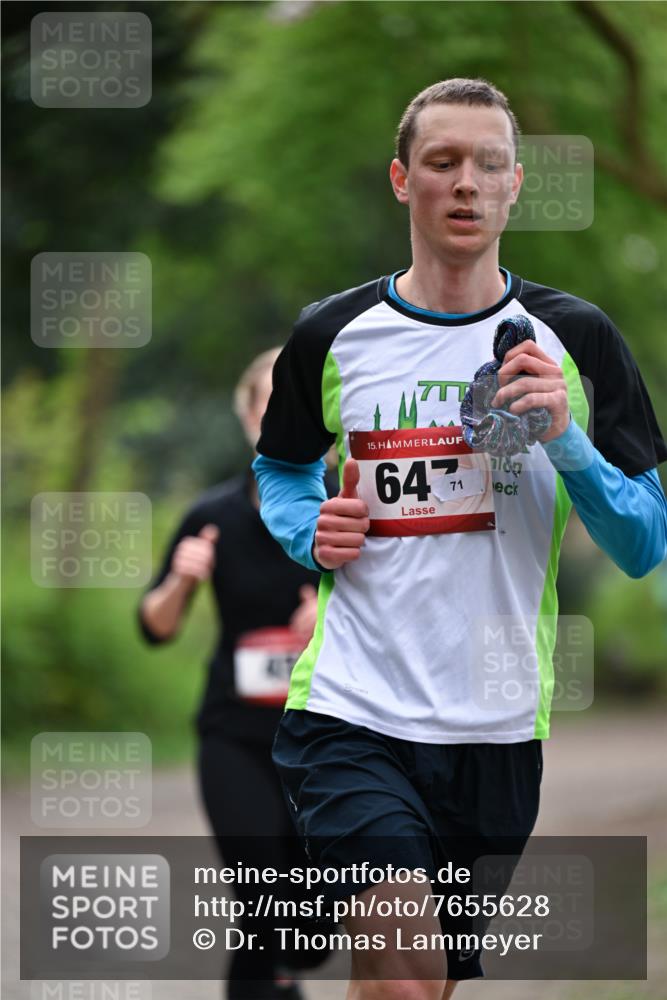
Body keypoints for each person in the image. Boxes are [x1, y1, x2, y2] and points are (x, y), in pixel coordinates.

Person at [251, 79, 667, 1000]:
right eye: (442, 163)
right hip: (351, 709)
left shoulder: (576, 341)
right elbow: (279, 470)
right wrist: (304, 530)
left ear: (516, 185)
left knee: (424, 985)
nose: (465, 184)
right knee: (401, 975)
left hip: (497, 725)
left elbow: (644, 541)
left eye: (486, 165)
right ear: (403, 180)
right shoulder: (332, 335)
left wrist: (567, 441)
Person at [139, 348, 338, 1000]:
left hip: (330, 739)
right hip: (236, 734)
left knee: (310, 928)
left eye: (295, 405)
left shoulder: (350, 507)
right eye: (267, 405)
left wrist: (331, 618)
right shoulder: (213, 515)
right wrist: (179, 579)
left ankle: (285, 975)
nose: (280, 417)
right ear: (248, 417)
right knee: (261, 895)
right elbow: (153, 627)